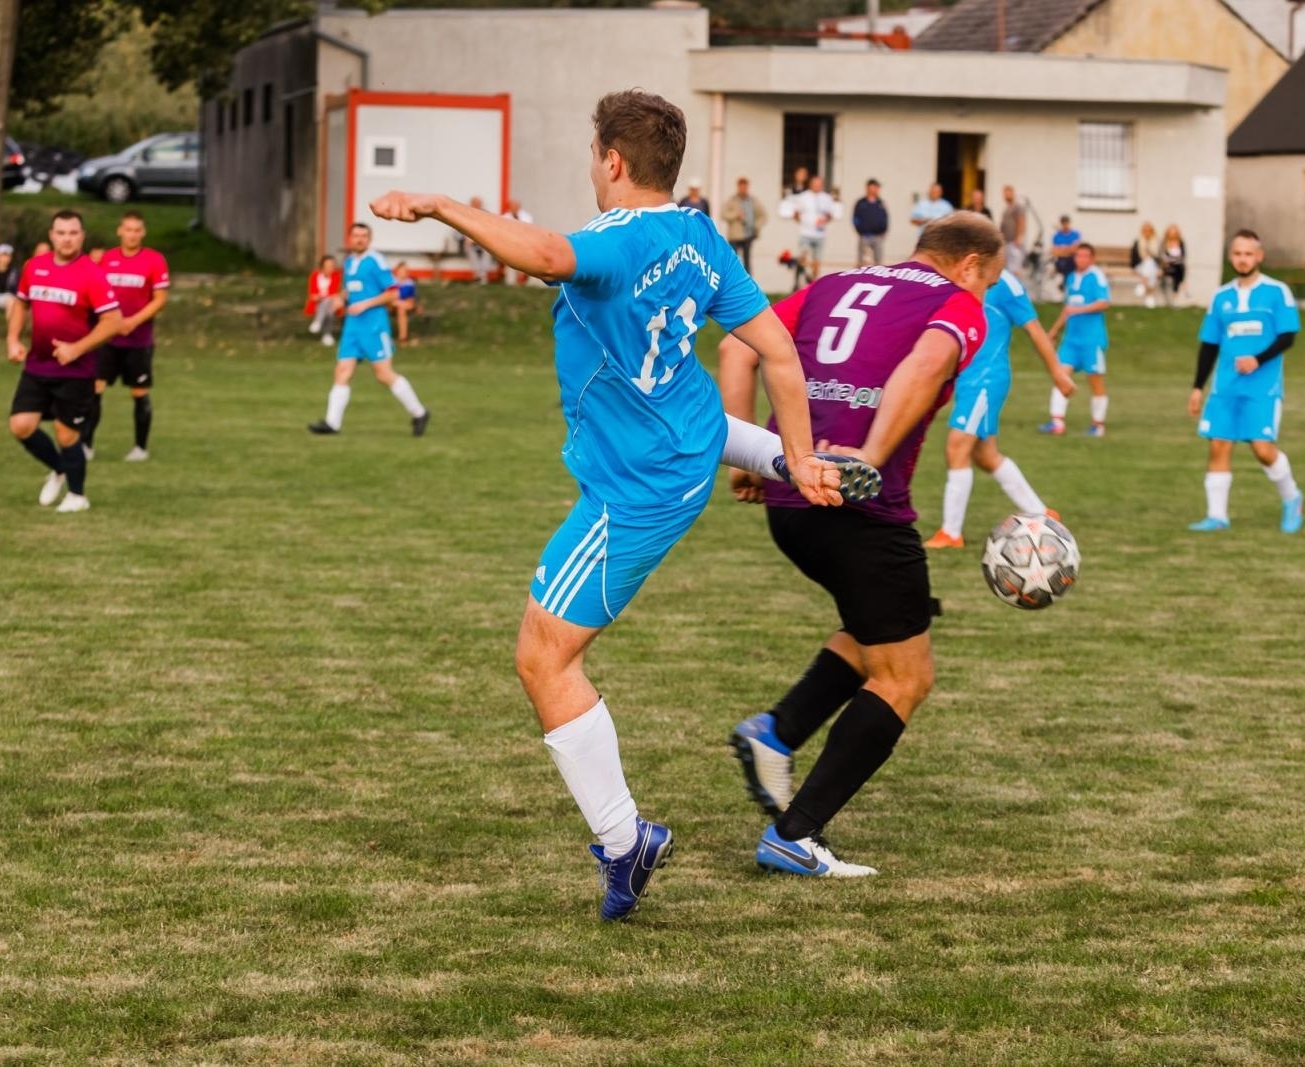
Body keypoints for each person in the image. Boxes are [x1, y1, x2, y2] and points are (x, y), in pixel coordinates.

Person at [369, 89, 846, 921]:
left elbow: (550, 255)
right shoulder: (699, 233)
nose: (592, 167)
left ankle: (627, 841)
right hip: (690, 437)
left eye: (594, 156)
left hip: (638, 488)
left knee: (542, 658)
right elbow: (776, 351)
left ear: (613, 162)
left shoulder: (614, 242)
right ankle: (772, 459)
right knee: (701, 436)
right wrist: (792, 453)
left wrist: (443, 204)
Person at [720, 213, 1003, 877]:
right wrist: (868, 456)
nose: (984, 295)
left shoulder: (835, 281)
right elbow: (929, 360)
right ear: (969, 266)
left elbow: (739, 347)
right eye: (987, 281)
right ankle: (796, 833)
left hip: (789, 498)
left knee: (891, 619)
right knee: (907, 674)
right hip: (858, 507)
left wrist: (746, 455)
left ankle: (778, 731)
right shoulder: (957, 303)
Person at [925, 266, 1077, 549]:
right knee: (985, 455)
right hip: (968, 378)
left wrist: (1057, 373)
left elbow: (1034, 330)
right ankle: (1042, 514)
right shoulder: (957, 274)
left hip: (986, 378)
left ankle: (951, 533)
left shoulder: (1005, 284)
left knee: (956, 447)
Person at [5, 209, 121, 513]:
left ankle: (78, 496)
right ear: (51, 236)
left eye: (73, 233)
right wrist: (13, 339)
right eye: (61, 233)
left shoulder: (92, 274)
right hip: (37, 365)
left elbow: (113, 321)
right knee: (20, 425)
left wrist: (77, 348)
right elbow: (21, 303)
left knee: (66, 433)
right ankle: (59, 468)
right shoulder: (35, 266)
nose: (67, 239)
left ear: (81, 236)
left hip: (76, 371)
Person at [1188, 229, 1303, 534]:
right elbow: (1209, 345)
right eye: (1238, 253)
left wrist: (1258, 359)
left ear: (1259, 256)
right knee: (1218, 446)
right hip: (1225, 387)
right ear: (1231, 257)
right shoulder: (1221, 297)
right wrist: (1198, 387)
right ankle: (1217, 516)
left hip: (1262, 387)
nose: (1243, 259)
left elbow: (1288, 336)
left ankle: (1292, 499)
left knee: (1263, 450)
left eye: (1248, 254)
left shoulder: (1277, 292)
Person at [306, 222, 430, 437]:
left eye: (364, 236)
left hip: (374, 324)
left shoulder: (376, 261)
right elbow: (350, 290)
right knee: (342, 370)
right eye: (356, 235)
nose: (360, 239)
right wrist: (339, 298)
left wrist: (365, 304)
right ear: (350, 239)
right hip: (353, 326)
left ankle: (419, 412)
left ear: (369, 240)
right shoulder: (349, 263)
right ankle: (332, 423)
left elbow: (392, 293)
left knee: (383, 374)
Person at [85, 210, 168, 463]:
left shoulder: (154, 260)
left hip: (138, 341)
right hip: (107, 340)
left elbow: (160, 299)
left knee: (139, 392)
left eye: (137, 230)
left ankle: (140, 448)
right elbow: (93, 294)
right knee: (95, 388)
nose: (132, 235)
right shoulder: (106, 260)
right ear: (119, 231)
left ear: (143, 233)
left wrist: (133, 321)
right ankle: (86, 446)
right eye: (127, 229)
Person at [1041, 243, 1111, 437]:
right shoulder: (1071, 278)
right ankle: (1057, 423)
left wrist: (1078, 310)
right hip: (1071, 340)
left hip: (1092, 341)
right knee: (1061, 377)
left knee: (1095, 382)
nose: (1080, 259)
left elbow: (1104, 302)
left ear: (1092, 258)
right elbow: (1067, 308)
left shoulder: (1096, 276)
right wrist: (1054, 330)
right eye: (1078, 256)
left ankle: (1098, 425)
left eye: (1085, 256)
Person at [778, 175, 840, 282]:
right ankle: (799, 281)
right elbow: (796, 214)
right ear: (811, 185)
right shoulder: (803, 197)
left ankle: (813, 282)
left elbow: (830, 215)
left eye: (819, 184)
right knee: (802, 259)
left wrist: (824, 221)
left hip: (820, 235)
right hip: (805, 234)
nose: (817, 186)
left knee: (817, 261)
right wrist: (805, 223)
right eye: (815, 184)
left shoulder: (826, 198)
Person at [720, 177, 766, 273]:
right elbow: (724, 214)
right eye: (741, 186)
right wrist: (736, 214)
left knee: (747, 261)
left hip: (748, 235)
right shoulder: (732, 200)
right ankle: (733, 282)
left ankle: (748, 284)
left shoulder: (753, 201)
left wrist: (756, 225)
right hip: (735, 236)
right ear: (738, 187)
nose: (743, 189)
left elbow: (763, 216)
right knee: (733, 261)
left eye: (745, 187)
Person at [305, 254, 342, 345]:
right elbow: (312, 293)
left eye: (332, 266)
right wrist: (317, 297)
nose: (331, 268)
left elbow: (334, 292)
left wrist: (323, 296)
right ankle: (327, 335)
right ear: (322, 267)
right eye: (328, 266)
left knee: (328, 303)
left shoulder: (336, 275)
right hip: (317, 303)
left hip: (333, 302)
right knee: (326, 305)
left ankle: (318, 321)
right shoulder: (315, 276)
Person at [851, 178, 889, 266]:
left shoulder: (881, 203)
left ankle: (877, 279)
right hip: (865, 236)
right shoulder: (860, 203)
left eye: (876, 188)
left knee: (878, 263)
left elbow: (885, 218)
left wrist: (884, 230)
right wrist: (860, 230)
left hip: (878, 236)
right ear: (867, 188)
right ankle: (859, 278)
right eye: (872, 187)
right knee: (862, 262)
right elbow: (855, 218)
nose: (874, 190)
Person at [501, 199, 535, 284]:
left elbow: (528, 230)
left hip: (524, 244)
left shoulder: (527, 216)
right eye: (513, 206)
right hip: (510, 244)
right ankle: (511, 281)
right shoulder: (505, 217)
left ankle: (523, 277)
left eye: (516, 206)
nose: (514, 208)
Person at [463, 197, 494, 283]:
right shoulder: (464, 214)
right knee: (469, 248)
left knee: (488, 250)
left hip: (483, 241)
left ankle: (480, 275)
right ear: (471, 204)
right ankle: (480, 275)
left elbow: (491, 229)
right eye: (474, 204)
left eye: (478, 204)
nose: (476, 206)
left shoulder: (487, 215)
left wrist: (480, 239)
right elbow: (457, 231)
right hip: (469, 242)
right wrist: (466, 238)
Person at [1131, 221, 1161, 308]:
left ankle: (1142, 285)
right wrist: (1145, 258)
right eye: (1145, 230)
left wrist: (1151, 257)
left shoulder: (1157, 242)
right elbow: (1134, 258)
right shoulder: (1138, 242)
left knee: (1150, 263)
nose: (1147, 232)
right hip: (1139, 266)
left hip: (1153, 267)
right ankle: (1150, 296)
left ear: (1152, 231)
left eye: (1149, 230)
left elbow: (1159, 258)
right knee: (1149, 263)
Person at [999, 185, 1026, 275]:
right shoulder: (1006, 208)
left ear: (1012, 193)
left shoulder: (1017, 207)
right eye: (1005, 193)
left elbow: (1021, 221)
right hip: (1006, 242)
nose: (1006, 195)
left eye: (1008, 193)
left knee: (1014, 268)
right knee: (1006, 268)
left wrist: (1019, 237)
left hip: (1014, 242)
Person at [1049, 215, 1080, 290]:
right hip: (1061, 260)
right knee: (1064, 264)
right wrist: (1068, 250)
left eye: (1066, 223)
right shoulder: (1057, 235)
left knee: (1069, 263)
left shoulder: (1075, 234)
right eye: (1063, 223)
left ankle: (1065, 284)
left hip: (1072, 259)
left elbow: (1075, 249)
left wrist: (1063, 249)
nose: (1065, 225)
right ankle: (1066, 284)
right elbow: (1054, 251)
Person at [392, 262, 417, 344]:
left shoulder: (410, 284)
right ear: (397, 271)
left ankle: (403, 338)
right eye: (403, 270)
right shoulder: (391, 282)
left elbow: (411, 300)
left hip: (403, 306)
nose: (405, 272)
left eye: (406, 270)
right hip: (390, 305)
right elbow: (387, 296)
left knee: (401, 310)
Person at [1161, 225, 1187, 300]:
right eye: (1171, 233)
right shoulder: (1164, 243)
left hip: (1177, 265)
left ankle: (1175, 294)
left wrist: (1175, 259)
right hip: (1167, 265)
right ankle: (1183, 286)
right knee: (1178, 270)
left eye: (1174, 233)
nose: (1173, 235)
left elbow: (1183, 255)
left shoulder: (1180, 243)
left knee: (1179, 268)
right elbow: (1163, 256)